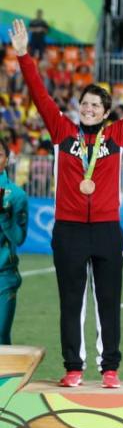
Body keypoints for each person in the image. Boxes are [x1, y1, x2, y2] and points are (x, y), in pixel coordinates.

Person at [11, 19, 123, 388]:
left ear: (106, 111)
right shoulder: (62, 133)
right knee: (71, 302)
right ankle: (73, 367)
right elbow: (40, 95)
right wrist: (23, 56)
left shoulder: (117, 136)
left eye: (96, 105)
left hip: (107, 231)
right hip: (67, 230)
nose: (89, 109)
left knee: (108, 301)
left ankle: (109, 368)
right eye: (84, 103)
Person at [0, 143, 30, 345]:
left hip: (3, 276)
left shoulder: (17, 195)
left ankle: (4, 377)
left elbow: (19, 238)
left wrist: (4, 217)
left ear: (6, 159)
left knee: (1, 337)